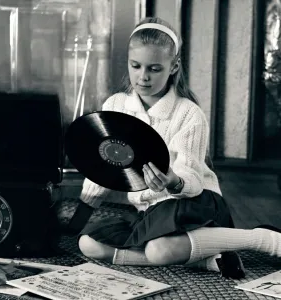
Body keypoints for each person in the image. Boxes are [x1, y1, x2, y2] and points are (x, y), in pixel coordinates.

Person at [74, 17, 281, 280]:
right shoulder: (115, 105)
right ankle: (208, 261)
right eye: (135, 66)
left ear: (174, 67)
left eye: (155, 68)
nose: (143, 76)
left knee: (159, 250)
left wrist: (174, 181)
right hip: (150, 212)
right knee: (88, 244)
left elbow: (192, 180)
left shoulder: (188, 113)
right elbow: (103, 167)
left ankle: (260, 238)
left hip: (194, 203)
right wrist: (83, 211)